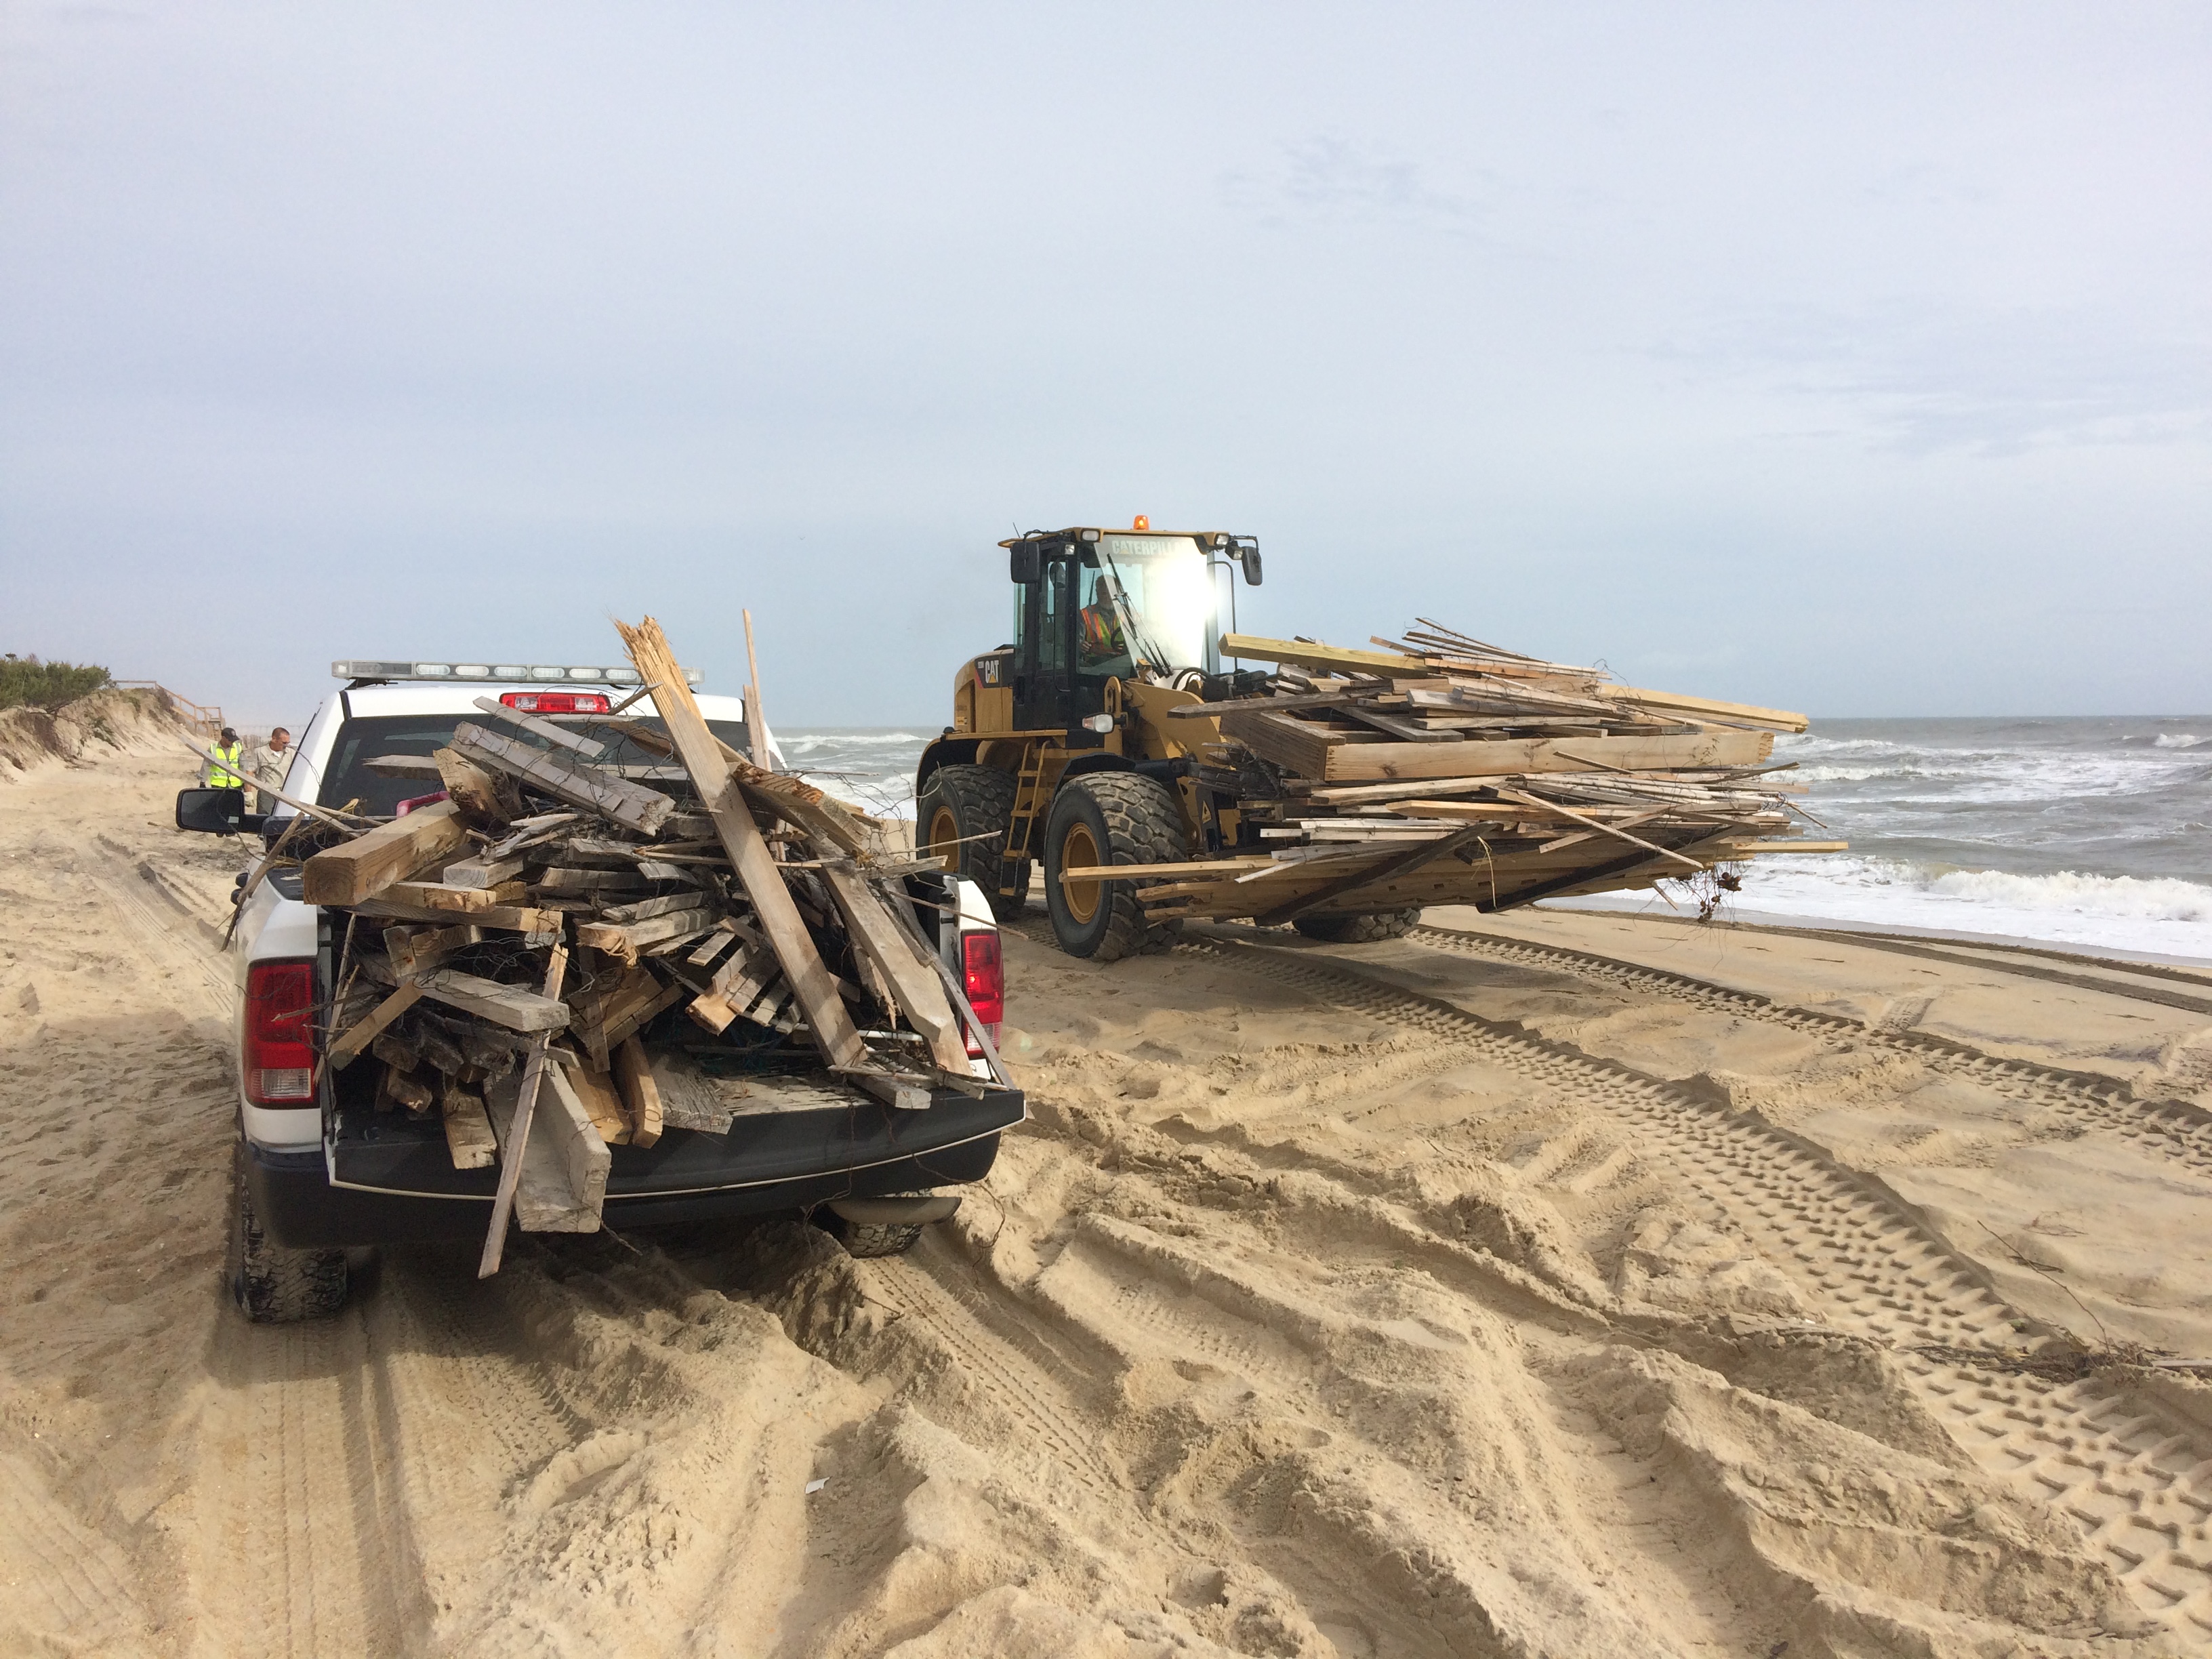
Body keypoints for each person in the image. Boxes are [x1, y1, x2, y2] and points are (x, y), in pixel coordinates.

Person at [244, 726, 291, 814]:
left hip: (286, 793)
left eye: (288, 743)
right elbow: (249, 771)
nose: (286, 745)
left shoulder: (291, 753)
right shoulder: (260, 752)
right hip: (267, 794)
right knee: (266, 820)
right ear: (274, 739)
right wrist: (248, 792)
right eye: (284, 743)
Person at [204, 727, 245, 792]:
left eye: (234, 740)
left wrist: (246, 783)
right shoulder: (213, 749)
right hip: (218, 786)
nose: (232, 742)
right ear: (223, 738)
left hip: (236, 786)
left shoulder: (238, 748)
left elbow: (244, 767)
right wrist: (202, 782)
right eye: (230, 740)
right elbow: (206, 766)